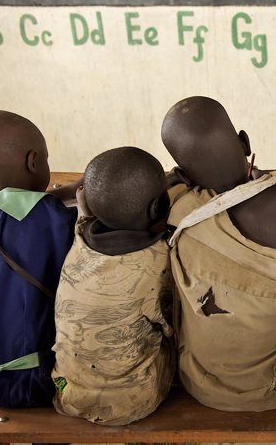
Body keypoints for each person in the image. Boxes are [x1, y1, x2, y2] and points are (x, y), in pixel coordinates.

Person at [161, 95, 276, 412]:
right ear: (244, 141)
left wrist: (177, 180)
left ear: (184, 175)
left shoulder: (180, 206)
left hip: (202, 384)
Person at [0, 110, 78, 408]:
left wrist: (61, 193)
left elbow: (19, 207)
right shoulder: (54, 222)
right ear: (33, 161)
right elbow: (96, 220)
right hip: (34, 384)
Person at [51, 146, 175, 426]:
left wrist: (85, 209)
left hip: (66, 391)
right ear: (158, 208)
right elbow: (172, 322)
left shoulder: (80, 240)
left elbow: (83, 218)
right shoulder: (159, 261)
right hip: (132, 402)